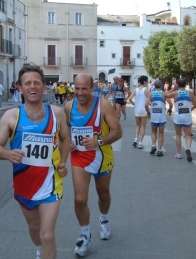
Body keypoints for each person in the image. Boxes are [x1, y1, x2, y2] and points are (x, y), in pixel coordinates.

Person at [0, 65, 70, 259]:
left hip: (51, 184)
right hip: (24, 185)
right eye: (28, 83)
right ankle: (39, 250)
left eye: (37, 82)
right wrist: (8, 154)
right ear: (20, 87)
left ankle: (44, 249)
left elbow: (66, 139)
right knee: (35, 229)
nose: (32, 86)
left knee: (47, 235)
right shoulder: (12, 116)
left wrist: (63, 162)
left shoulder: (56, 113)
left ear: (44, 87)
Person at [64, 73, 122, 257]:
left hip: (101, 156)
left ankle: (103, 220)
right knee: (80, 199)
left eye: (84, 88)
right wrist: (68, 141)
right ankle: (85, 234)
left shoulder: (103, 105)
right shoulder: (68, 106)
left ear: (92, 88)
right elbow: (65, 129)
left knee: (103, 193)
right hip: (79, 157)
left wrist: (99, 142)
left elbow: (117, 132)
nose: (80, 92)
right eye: (77, 88)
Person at [164, 78, 196, 162]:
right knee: (188, 135)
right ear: (186, 84)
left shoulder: (175, 93)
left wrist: (173, 89)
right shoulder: (190, 93)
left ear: (178, 85)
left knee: (178, 135)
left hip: (178, 117)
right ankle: (188, 148)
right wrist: (191, 109)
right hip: (187, 117)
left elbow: (164, 94)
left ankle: (179, 153)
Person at [145, 80, 173, 157]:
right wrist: (169, 110)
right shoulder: (164, 94)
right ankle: (159, 150)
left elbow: (146, 104)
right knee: (161, 133)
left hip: (154, 116)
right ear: (161, 86)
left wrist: (148, 112)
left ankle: (153, 145)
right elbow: (170, 104)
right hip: (161, 117)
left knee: (153, 132)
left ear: (154, 86)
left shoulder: (151, 94)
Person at [128, 76, 150, 149]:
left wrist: (134, 104)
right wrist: (148, 111)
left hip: (137, 110)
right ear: (144, 82)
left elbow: (130, 99)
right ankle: (140, 142)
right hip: (143, 110)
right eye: (147, 81)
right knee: (143, 126)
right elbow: (148, 101)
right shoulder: (147, 90)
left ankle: (135, 139)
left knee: (138, 125)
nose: (147, 83)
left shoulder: (135, 90)